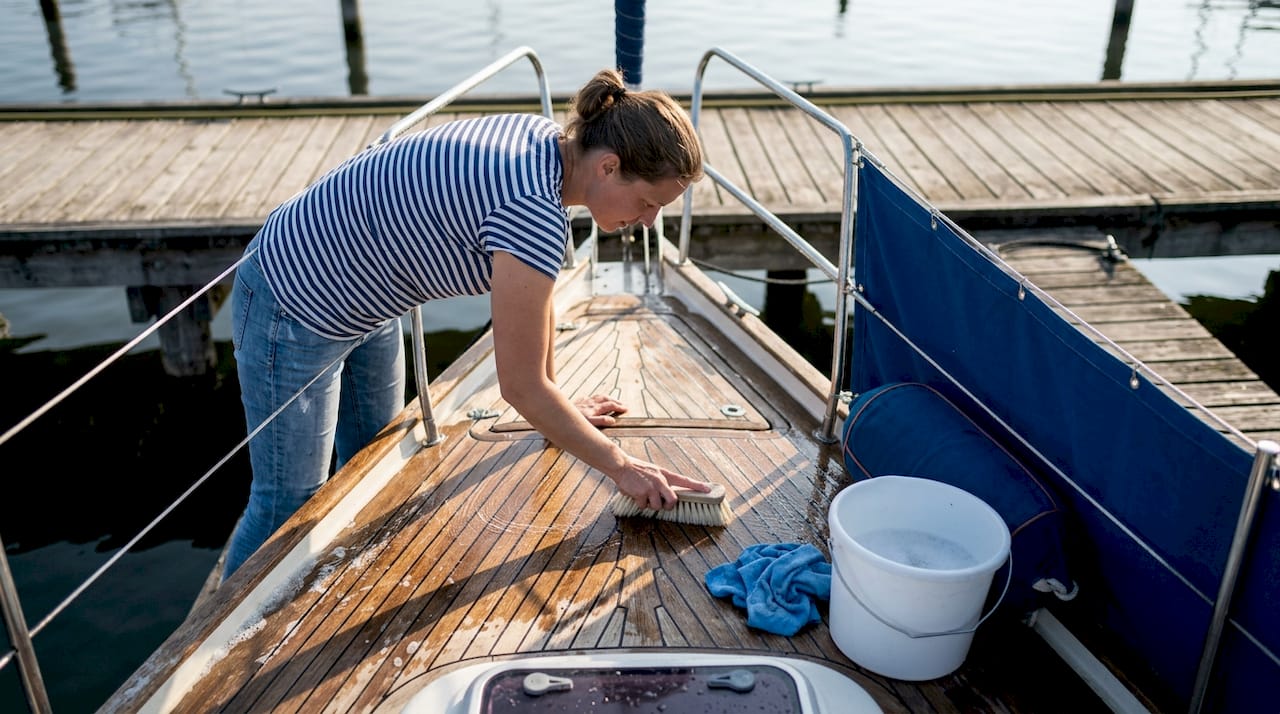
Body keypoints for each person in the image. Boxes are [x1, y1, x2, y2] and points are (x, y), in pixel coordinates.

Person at [221, 68, 710, 580]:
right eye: (649, 203)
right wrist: (621, 466)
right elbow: (520, 386)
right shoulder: (532, 210)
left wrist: (559, 402)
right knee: (287, 503)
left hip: (367, 295)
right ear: (609, 167)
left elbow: (534, 306)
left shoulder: (545, 143)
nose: (650, 221)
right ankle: (209, 651)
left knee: (368, 466)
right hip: (292, 302)